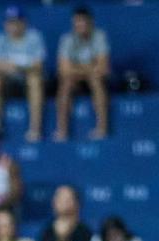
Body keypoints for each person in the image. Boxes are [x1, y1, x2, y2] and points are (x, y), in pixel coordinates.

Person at [0, 7, 45, 142]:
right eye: (10, 22)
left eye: (16, 22)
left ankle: (35, 130)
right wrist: (23, 66)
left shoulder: (34, 37)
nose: (13, 26)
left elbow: (38, 65)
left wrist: (16, 67)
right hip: (8, 82)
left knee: (35, 80)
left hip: (28, 80)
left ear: (24, 23)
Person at [55, 6, 110, 141]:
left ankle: (102, 128)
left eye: (83, 22)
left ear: (91, 22)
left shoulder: (99, 36)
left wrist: (77, 68)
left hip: (95, 79)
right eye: (77, 22)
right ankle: (62, 131)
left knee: (96, 80)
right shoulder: (67, 39)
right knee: (66, 83)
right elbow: (63, 69)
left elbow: (103, 68)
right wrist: (89, 68)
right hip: (75, 80)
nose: (80, 25)